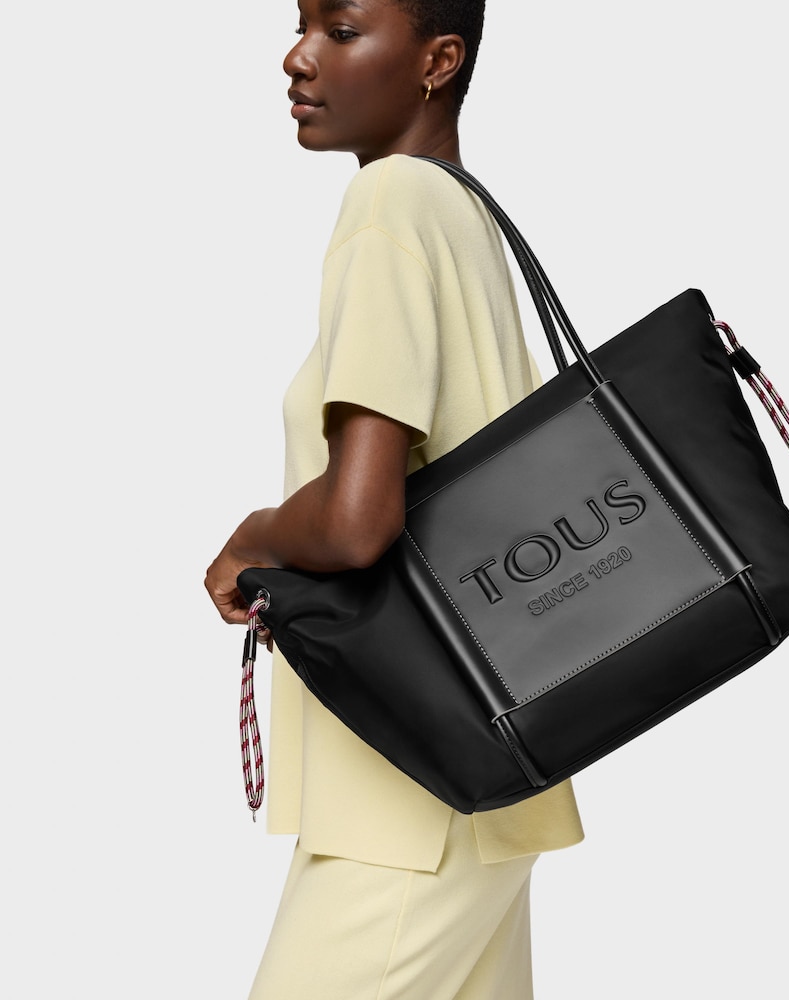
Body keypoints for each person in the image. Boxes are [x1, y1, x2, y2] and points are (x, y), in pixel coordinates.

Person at [205, 1, 584, 996]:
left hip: (407, 798)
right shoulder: (462, 212)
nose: (297, 57)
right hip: (484, 778)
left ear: (438, 60)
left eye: (341, 30)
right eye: (300, 24)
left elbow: (358, 518)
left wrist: (251, 538)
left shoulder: (389, 205)